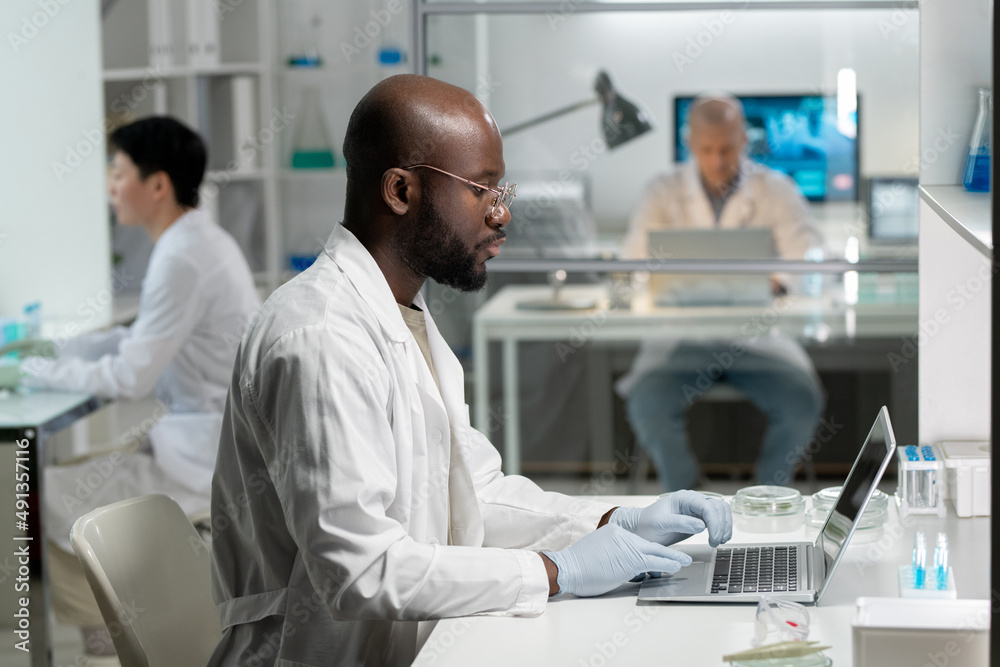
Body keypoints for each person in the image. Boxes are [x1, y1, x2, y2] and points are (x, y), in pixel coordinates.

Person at [208, 74, 732, 667]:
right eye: (481, 190)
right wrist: (556, 571)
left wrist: (615, 519)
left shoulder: (403, 313)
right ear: (401, 190)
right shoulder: (320, 337)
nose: (502, 213)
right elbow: (358, 570)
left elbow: (471, 496)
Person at [1, 116, 261, 664]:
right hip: (202, 440)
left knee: (35, 495)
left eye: (118, 172)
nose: (110, 187)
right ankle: (107, 636)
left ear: (158, 185)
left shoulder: (182, 255)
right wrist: (57, 351)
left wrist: (33, 374)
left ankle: (105, 641)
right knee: (68, 476)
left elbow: (130, 377)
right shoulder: (196, 240)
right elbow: (141, 337)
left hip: (202, 458)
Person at [617, 96, 826, 492]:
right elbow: (633, 262)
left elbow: (809, 256)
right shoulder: (661, 191)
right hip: (681, 337)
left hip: (758, 338)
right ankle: (687, 495)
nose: (718, 161)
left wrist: (774, 281)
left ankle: (768, 495)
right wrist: (663, 280)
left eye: (727, 148)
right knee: (648, 404)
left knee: (802, 400)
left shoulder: (776, 189)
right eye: (708, 149)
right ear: (689, 142)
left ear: (745, 140)